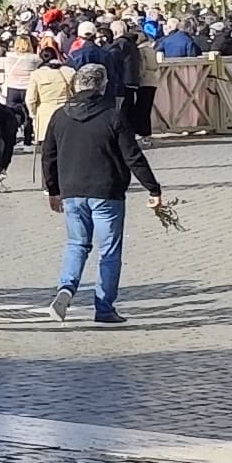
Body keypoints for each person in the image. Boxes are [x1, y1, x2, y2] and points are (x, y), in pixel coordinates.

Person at [36, 68, 165, 327]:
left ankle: (66, 288)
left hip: (72, 191)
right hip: (107, 191)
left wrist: (53, 190)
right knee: (109, 251)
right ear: (103, 86)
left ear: (76, 85)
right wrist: (153, 188)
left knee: (76, 244)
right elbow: (132, 156)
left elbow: (48, 155)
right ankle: (104, 307)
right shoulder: (112, 116)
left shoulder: (60, 116)